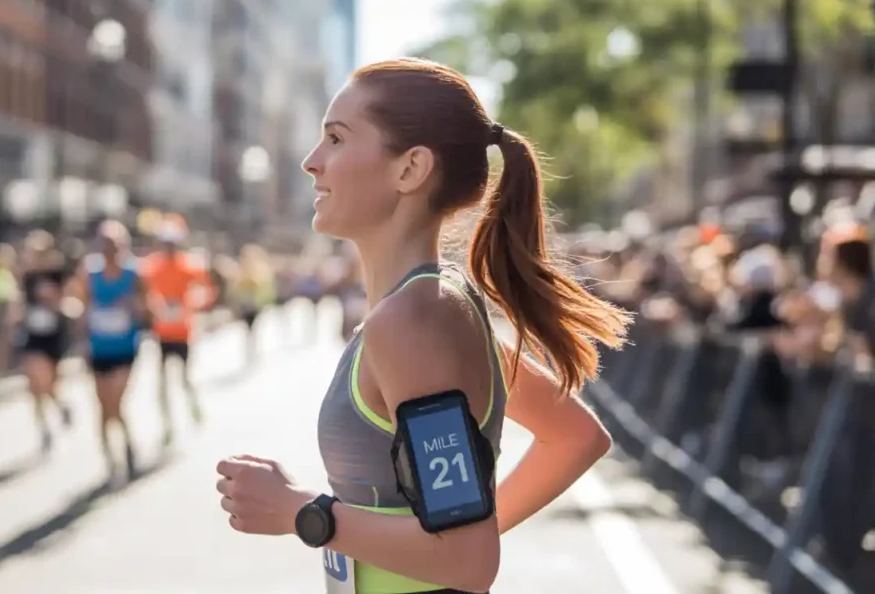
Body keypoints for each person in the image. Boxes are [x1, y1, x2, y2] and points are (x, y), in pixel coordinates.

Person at [215, 58, 630, 593]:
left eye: (336, 139)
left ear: (410, 169)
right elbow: (574, 436)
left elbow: (469, 561)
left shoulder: (413, 322)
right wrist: (448, 539)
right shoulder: (439, 304)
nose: (311, 162)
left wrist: (302, 513)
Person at [76, 220, 146, 481]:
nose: (109, 250)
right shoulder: (89, 273)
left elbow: (145, 307)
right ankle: (110, 456)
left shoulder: (134, 274)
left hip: (125, 346)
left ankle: (128, 447)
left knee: (116, 400)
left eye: (114, 245)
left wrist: (134, 305)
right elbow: (82, 307)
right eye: (105, 244)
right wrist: (82, 342)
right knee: (102, 405)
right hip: (98, 346)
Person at [142, 216, 216, 444]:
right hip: (162, 333)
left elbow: (207, 290)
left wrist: (192, 305)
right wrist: (153, 307)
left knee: (185, 379)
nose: (169, 248)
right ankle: (168, 426)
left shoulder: (189, 265)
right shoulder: (152, 266)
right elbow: (143, 292)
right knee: (162, 382)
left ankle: (194, 408)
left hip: (183, 332)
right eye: (166, 243)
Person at [16, 231, 73, 453]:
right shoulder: (27, 278)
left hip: (54, 334)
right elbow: (20, 303)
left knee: (50, 383)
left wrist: (56, 301)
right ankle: (43, 427)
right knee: (34, 383)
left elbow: (69, 299)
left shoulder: (57, 275)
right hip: (33, 335)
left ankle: (60, 407)